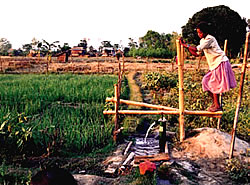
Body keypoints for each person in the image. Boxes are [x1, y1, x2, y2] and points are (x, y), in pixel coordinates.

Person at [180, 22, 237, 112]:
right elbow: (196, 53)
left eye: (201, 32)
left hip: (219, 62)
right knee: (205, 81)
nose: (199, 34)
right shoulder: (202, 41)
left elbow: (196, 48)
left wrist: (185, 45)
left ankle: (217, 105)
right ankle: (215, 103)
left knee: (214, 84)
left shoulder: (210, 39)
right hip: (214, 65)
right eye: (198, 33)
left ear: (205, 32)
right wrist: (186, 47)